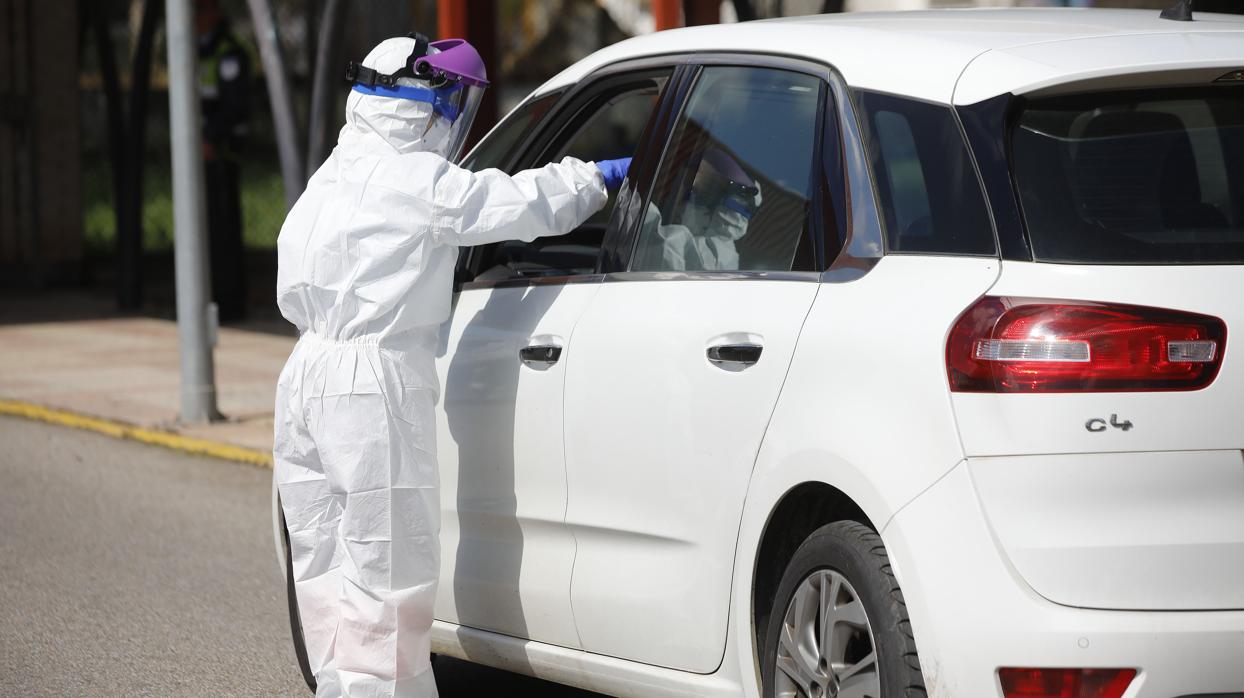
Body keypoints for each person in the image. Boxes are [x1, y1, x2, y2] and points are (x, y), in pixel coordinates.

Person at [272, 35, 630, 697]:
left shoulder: (338, 171)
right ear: (424, 101)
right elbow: (508, 204)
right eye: (453, 102)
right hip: (371, 383)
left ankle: (339, 688)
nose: (454, 119)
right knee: (389, 563)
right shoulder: (415, 181)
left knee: (323, 560)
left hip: (303, 377)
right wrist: (595, 179)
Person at [195, 0, 251, 321]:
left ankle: (230, 305)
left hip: (222, 154)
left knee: (224, 230)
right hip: (200, 154)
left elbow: (235, 105)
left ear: (213, 12)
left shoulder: (229, 51)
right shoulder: (194, 49)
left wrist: (211, 139)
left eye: (200, 11)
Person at [640, 147, 761, 271]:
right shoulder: (704, 242)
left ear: (726, 211)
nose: (686, 197)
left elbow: (659, 247)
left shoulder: (717, 258)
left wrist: (630, 200)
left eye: (704, 190)